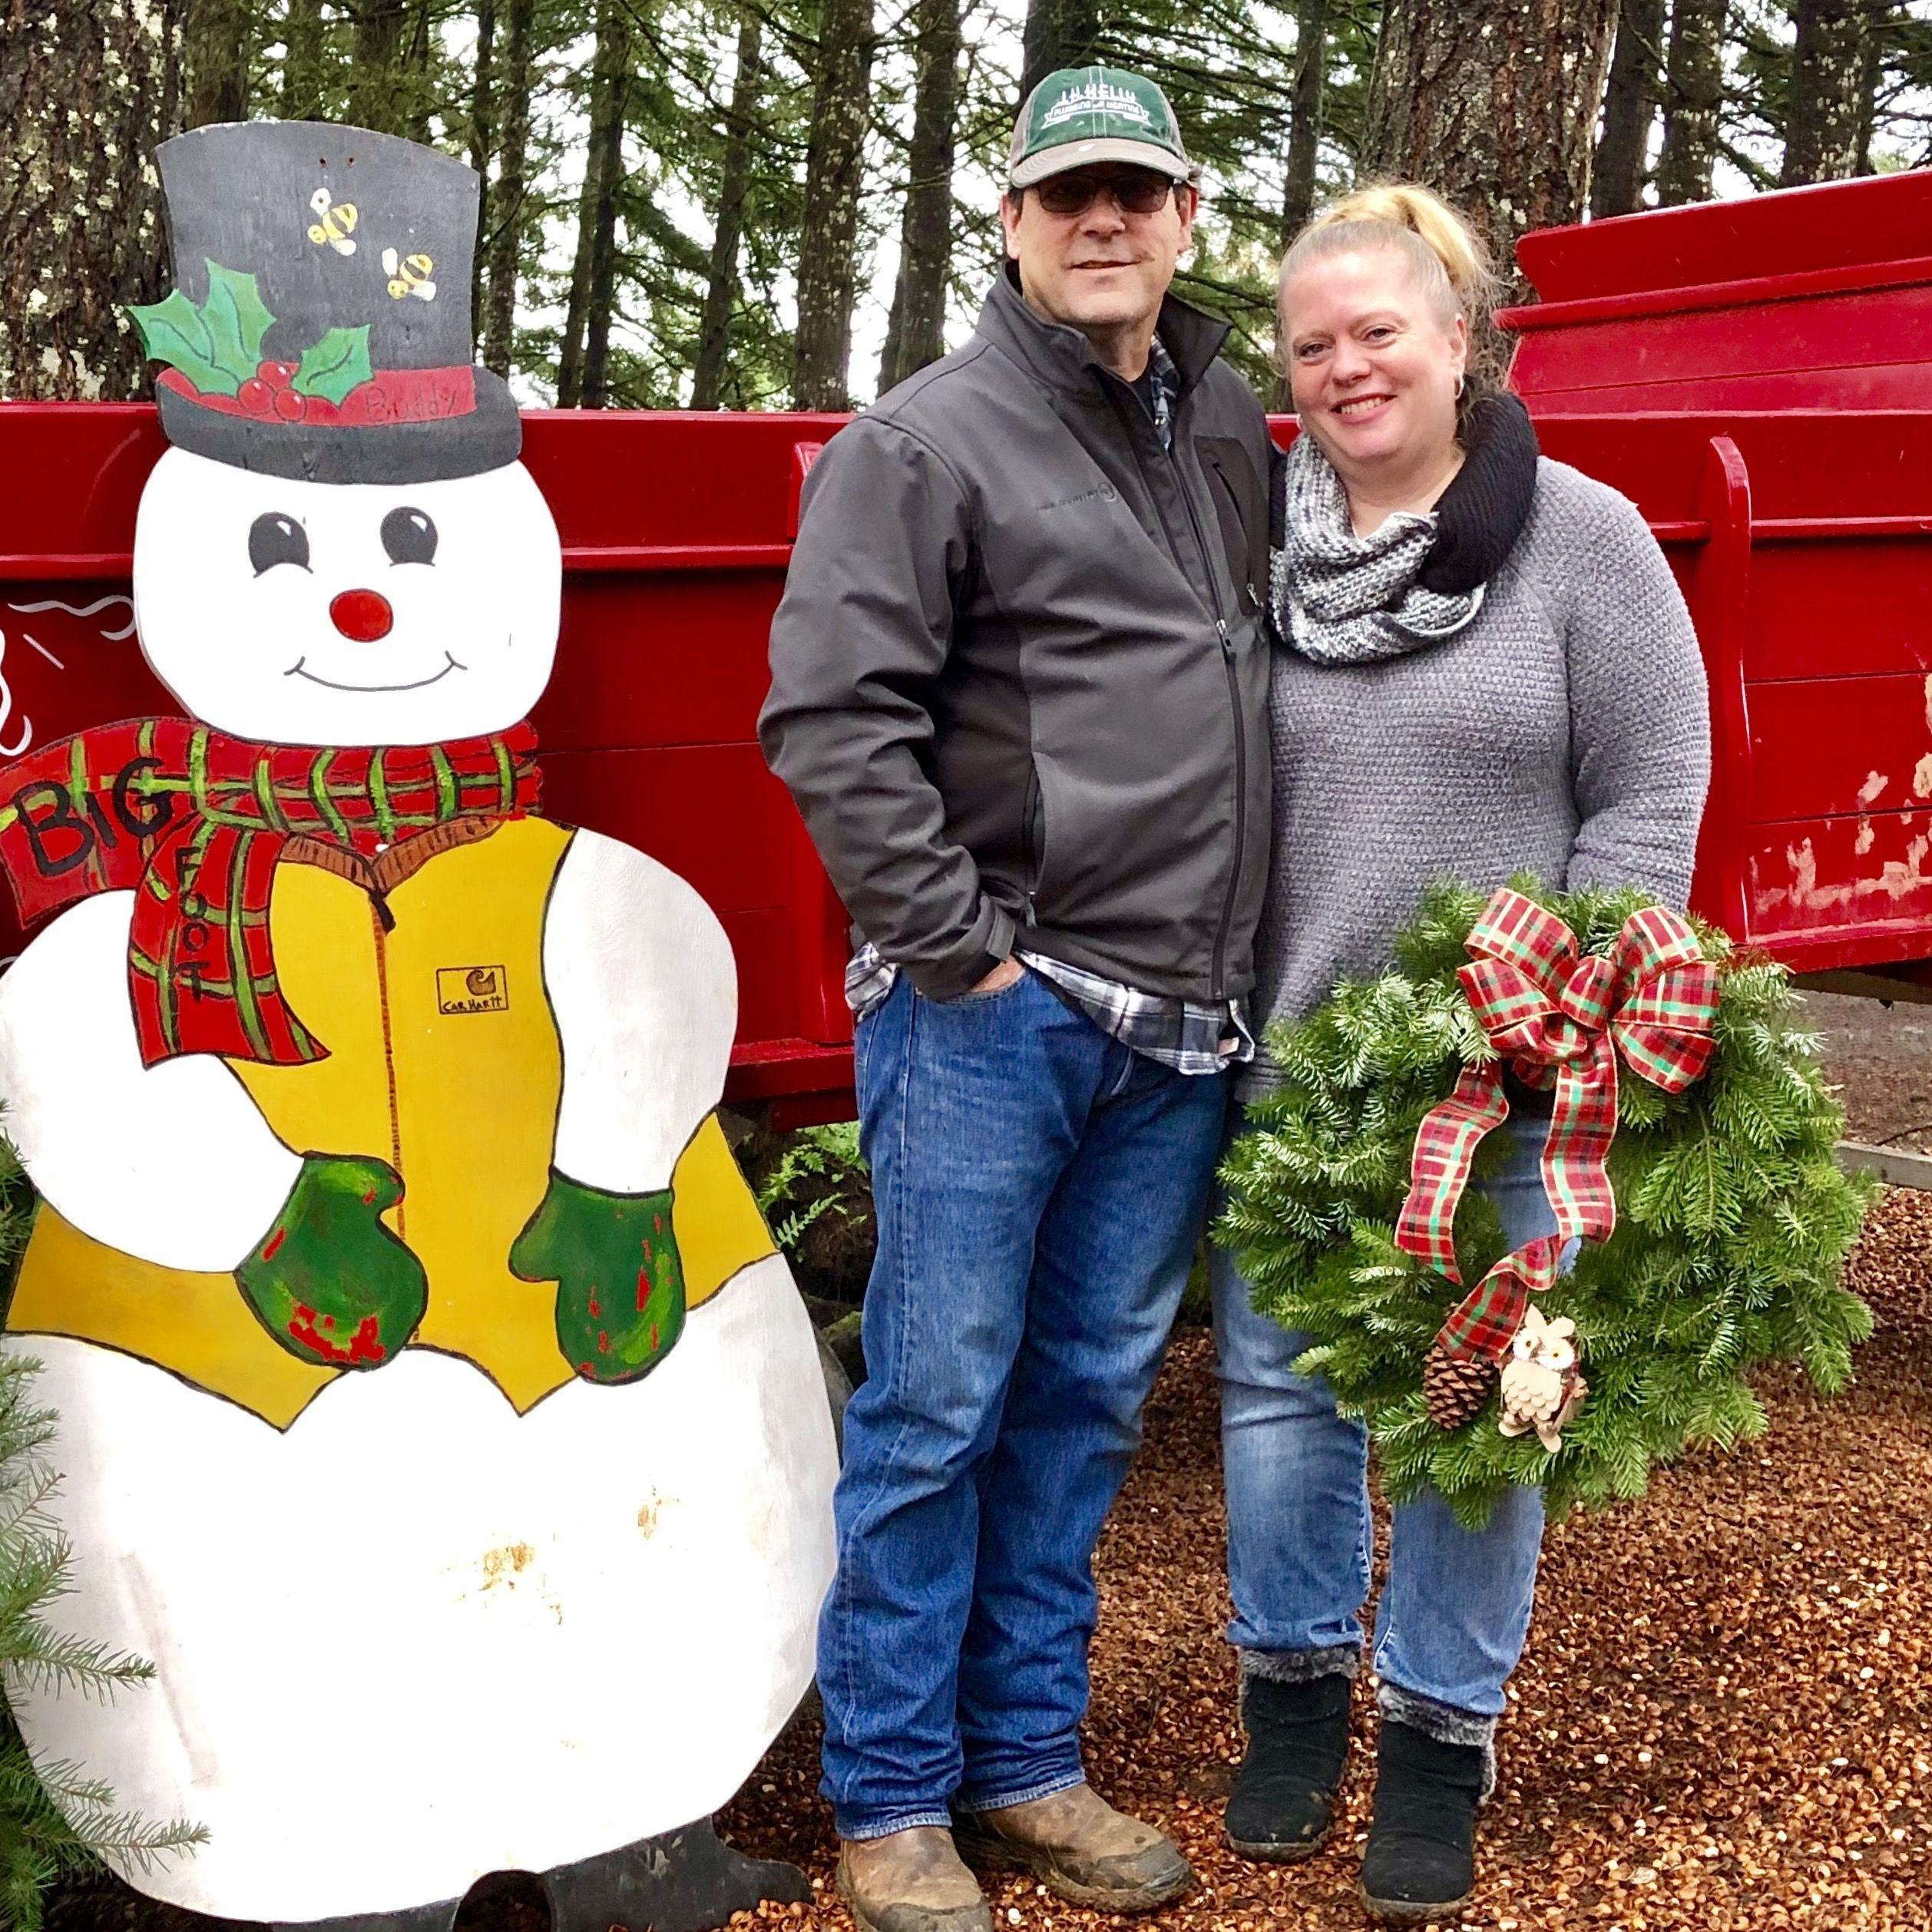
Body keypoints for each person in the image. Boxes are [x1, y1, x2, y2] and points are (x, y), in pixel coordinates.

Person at [760, 64, 1274, 1932]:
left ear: (1185, 215)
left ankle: (1023, 1763)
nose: (1102, 224)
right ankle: (892, 1804)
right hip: (1001, 1010)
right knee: (937, 1403)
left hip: (1183, 1018)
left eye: (1134, 193)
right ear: (1010, 223)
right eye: (1067, 196)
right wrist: (957, 945)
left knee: (1080, 1404)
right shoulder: (928, 440)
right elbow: (830, 717)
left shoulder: (1226, 419)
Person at [1212, 184, 1711, 1921]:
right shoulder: (1253, 542)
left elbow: (1648, 785)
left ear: (1459, 338)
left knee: (1479, 1414)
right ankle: (1288, 1702)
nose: (1347, 368)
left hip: (1501, 1068)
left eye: (1379, 333)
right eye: (1313, 344)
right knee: (1279, 1398)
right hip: (1293, 1059)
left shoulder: (1582, 540)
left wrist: (1562, 997)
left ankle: (1437, 1730)